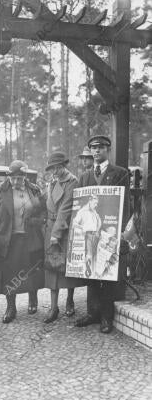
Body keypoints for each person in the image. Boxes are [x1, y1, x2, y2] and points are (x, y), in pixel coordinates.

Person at [75, 135, 130, 334]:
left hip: (109, 232)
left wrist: (122, 230)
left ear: (108, 149)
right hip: (90, 233)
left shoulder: (120, 173)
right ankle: (92, 313)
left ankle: (106, 316)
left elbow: (126, 205)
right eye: (93, 148)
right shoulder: (84, 177)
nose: (97, 151)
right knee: (90, 270)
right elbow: (79, 206)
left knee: (106, 272)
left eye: (101, 147)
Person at [0, 160, 45, 323]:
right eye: (13, 178)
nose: (16, 182)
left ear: (25, 177)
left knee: (32, 270)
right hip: (9, 239)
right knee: (10, 273)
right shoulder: (0, 190)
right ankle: (11, 307)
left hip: (31, 238)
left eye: (20, 178)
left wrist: (37, 221)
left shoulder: (34, 189)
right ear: (8, 177)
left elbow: (43, 211)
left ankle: (33, 298)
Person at [43, 151, 85, 323]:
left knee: (67, 269)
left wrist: (56, 234)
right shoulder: (53, 181)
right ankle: (54, 307)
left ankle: (69, 300)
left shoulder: (72, 181)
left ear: (64, 166)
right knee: (52, 269)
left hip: (64, 230)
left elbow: (65, 210)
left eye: (58, 168)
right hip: (51, 227)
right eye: (52, 168)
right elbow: (48, 204)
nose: (55, 171)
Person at [72, 195, 102, 277]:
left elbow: (98, 223)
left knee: (95, 256)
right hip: (88, 235)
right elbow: (74, 223)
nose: (96, 205)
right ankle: (88, 273)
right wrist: (83, 228)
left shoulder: (94, 212)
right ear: (90, 201)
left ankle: (93, 274)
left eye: (97, 203)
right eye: (95, 203)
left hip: (95, 236)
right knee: (89, 255)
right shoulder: (82, 211)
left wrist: (97, 231)